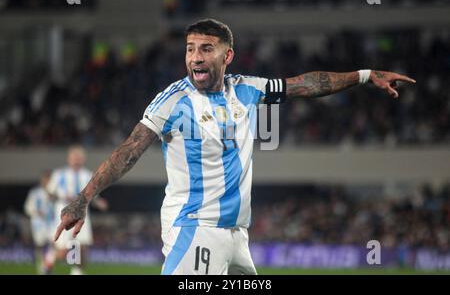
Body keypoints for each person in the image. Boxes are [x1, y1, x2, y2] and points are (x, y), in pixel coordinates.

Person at [54, 19, 415, 275]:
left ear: (227, 56)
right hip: (196, 228)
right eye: (190, 48)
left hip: (236, 236)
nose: (195, 56)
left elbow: (307, 84)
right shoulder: (172, 102)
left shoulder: (248, 89)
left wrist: (365, 76)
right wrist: (85, 196)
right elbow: (128, 151)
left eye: (206, 49)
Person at [47, 145, 108, 275]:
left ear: (83, 159)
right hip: (64, 215)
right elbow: (50, 194)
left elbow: (93, 195)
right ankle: (50, 257)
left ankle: (77, 272)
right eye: (74, 157)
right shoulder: (59, 175)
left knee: (82, 248)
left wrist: (99, 202)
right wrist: (63, 197)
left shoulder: (88, 175)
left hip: (82, 216)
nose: (77, 160)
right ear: (69, 159)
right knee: (64, 252)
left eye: (79, 158)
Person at [24, 170, 54, 274]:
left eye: (49, 180)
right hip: (38, 224)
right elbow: (28, 208)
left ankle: (47, 267)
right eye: (45, 179)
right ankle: (40, 267)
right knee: (40, 245)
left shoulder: (55, 193)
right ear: (42, 180)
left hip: (52, 223)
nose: (47, 181)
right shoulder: (35, 193)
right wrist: (37, 212)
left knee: (54, 245)